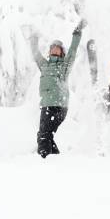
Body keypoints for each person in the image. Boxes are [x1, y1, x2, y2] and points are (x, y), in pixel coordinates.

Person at [30, 19, 87, 158]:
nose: (54, 49)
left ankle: (44, 161)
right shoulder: (44, 65)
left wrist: (77, 32)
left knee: (43, 136)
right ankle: (55, 159)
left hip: (57, 106)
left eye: (58, 47)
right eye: (52, 47)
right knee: (45, 135)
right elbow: (35, 54)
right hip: (46, 105)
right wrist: (33, 37)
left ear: (62, 52)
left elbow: (73, 51)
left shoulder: (64, 66)